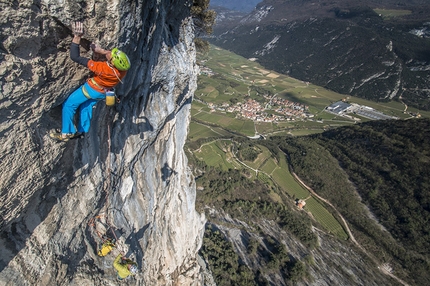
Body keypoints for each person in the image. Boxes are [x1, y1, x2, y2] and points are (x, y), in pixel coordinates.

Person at [50, 21, 131, 142]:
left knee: (69, 105)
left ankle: (66, 133)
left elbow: (75, 57)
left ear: (112, 63)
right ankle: (82, 130)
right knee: (86, 106)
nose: (110, 53)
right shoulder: (122, 70)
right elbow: (109, 54)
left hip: (91, 89)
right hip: (102, 93)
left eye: (112, 56)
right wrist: (100, 51)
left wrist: (77, 37)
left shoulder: (102, 68)